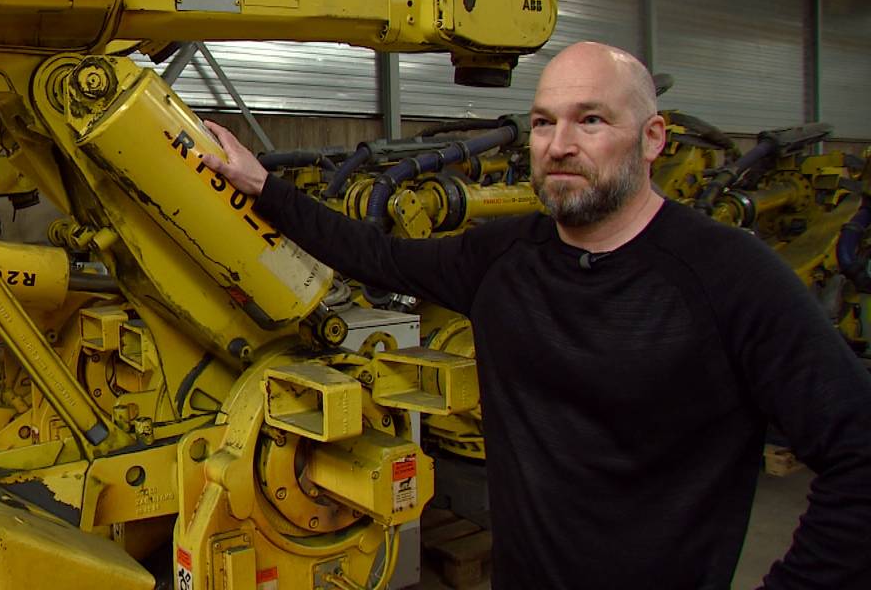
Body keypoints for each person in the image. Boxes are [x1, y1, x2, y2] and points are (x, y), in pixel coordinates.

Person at [202, 41, 871, 590]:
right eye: (545, 121)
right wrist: (264, 186)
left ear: (653, 138)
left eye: (591, 120)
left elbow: (859, 454)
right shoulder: (504, 256)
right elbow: (375, 255)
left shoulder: (730, 277)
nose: (558, 144)